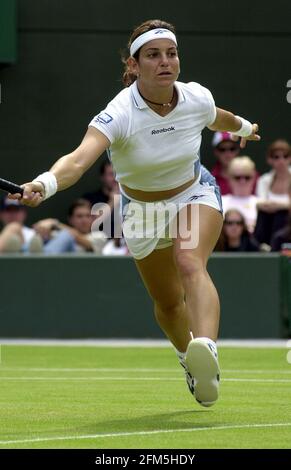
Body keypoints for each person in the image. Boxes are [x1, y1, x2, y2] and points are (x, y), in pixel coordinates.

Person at [10, 19, 260, 407]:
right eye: (153, 55)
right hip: (141, 211)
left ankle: (207, 349)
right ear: (135, 64)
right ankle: (188, 357)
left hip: (194, 192)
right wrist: (45, 183)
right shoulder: (119, 112)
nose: (165, 62)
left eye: (171, 53)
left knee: (190, 261)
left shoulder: (195, 97)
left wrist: (243, 127)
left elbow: (218, 116)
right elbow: (78, 161)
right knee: (168, 303)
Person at [33, 199, 107, 254]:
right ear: (70, 219)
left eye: (88, 216)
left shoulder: (99, 236)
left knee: (66, 236)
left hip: (80, 270)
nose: (84, 220)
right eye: (79, 216)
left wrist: (54, 223)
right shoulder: (58, 235)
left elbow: (80, 239)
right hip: (58, 267)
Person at [254, 139, 291, 245]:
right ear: (270, 159)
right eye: (276, 157)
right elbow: (260, 203)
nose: (281, 161)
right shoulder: (264, 180)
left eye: (285, 156)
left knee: (281, 215)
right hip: (267, 225)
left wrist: (278, 206)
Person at [222, 157, 258, 232]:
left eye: (247, 177)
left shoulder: (261, 204)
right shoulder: (220, 202)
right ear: (229, 178)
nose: (242, 181)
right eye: (237, 177)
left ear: (254, 178)